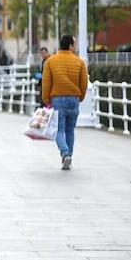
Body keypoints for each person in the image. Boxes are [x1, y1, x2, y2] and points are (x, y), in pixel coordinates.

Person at [41, 34, 88, 171]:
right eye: (75, 44)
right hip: (74, 99)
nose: (76, 47)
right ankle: (68, 156)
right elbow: (84, 83)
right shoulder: (79, 62)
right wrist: (81, 97)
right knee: (70, 130)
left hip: (57, 99)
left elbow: (46, 83)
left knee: (58, 130)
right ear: (70, 46)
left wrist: (46, 100)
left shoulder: (50, 61)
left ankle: (65, 153)